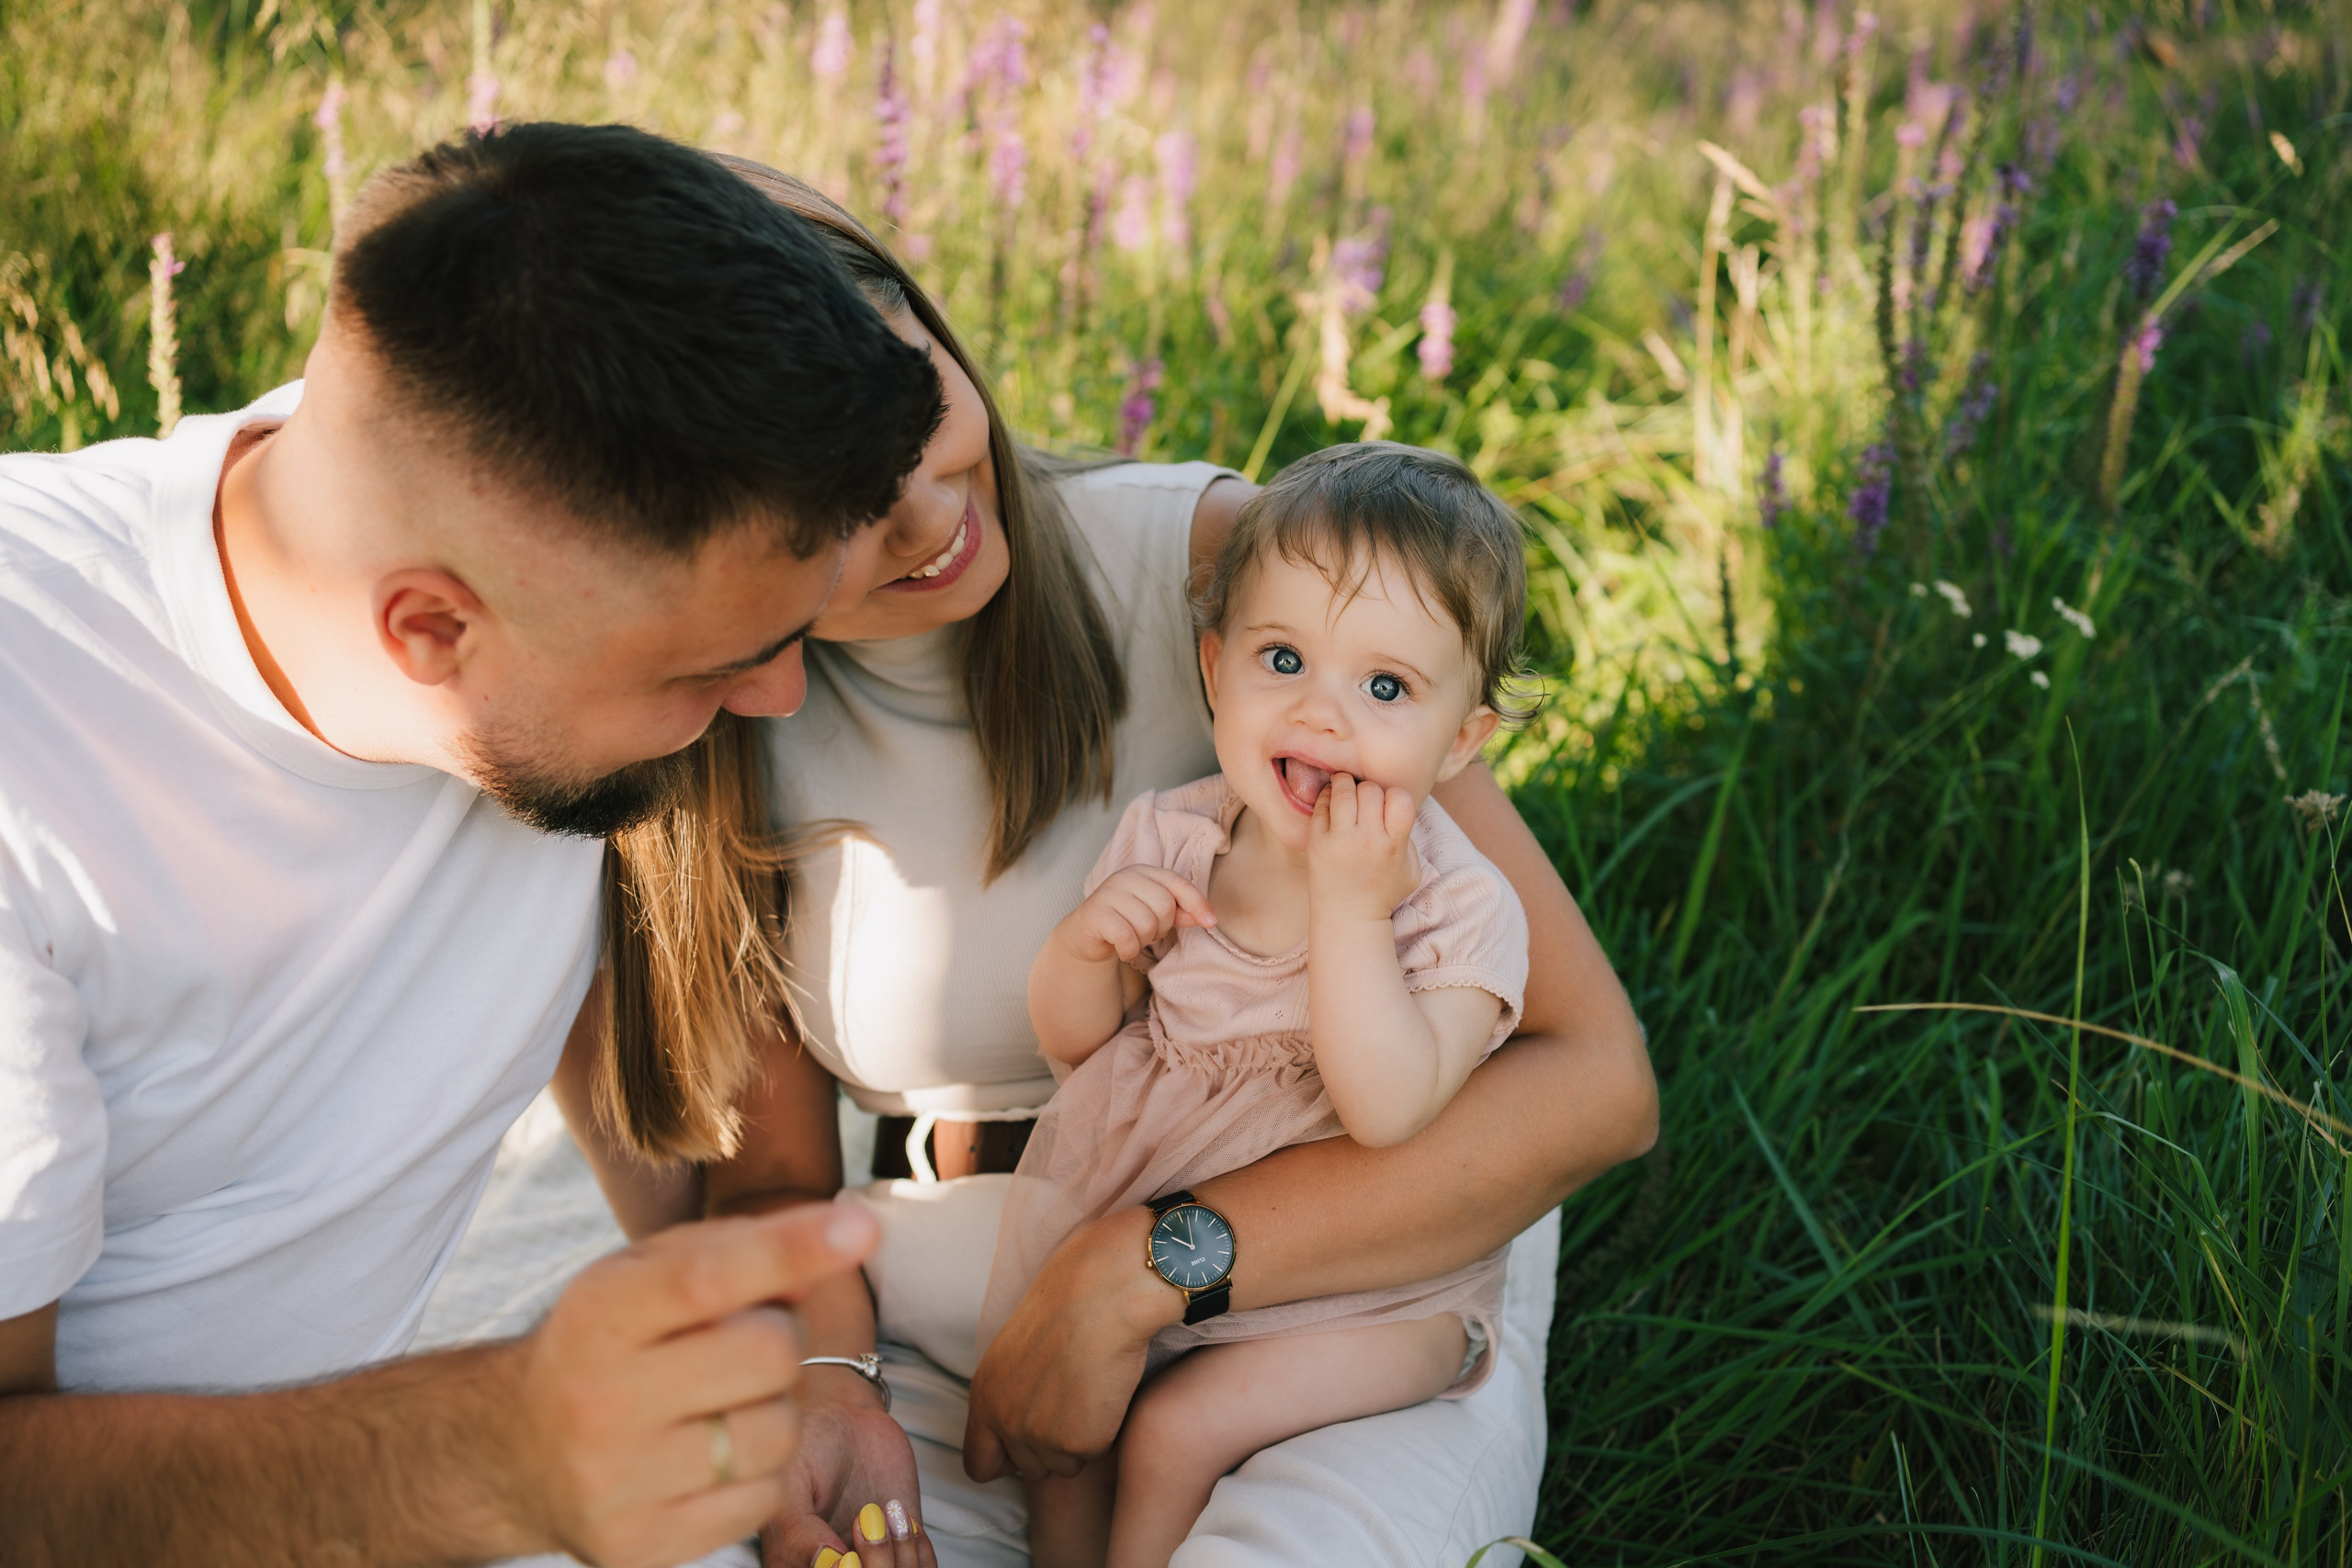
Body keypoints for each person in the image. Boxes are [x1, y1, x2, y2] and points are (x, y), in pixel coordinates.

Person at [558, 165, 1657, 1568]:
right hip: (941, 1304)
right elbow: (771, 1187)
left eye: (917, 406)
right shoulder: (719, 732)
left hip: (1332, 1291)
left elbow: (1593, 1081)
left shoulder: (1240, 576)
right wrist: (832, 1390)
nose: (920, 513)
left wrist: (1138, 1271)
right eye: (824, 509)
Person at [0, 123, 946, 1566]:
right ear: (428, 632)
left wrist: (802, 1376)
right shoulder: (40, 761)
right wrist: (486, 1453)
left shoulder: (496, 487)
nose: (776, 700)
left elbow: (687, 1117)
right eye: (708, 672)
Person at [1001, 443, 1539, 1566]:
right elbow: (1084, 1053)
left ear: (1462, 742)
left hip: (1377, 1293)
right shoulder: (1174, 838)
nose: (1321, 712)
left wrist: (1351, 915)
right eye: (1282, 657)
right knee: (1066, 1436)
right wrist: (1083, 952)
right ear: (1213, 670)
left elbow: (1386, 1107)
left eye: (1385, 688)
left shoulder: (1455, 910)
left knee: (1175, 1428)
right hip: (1160, 1248)